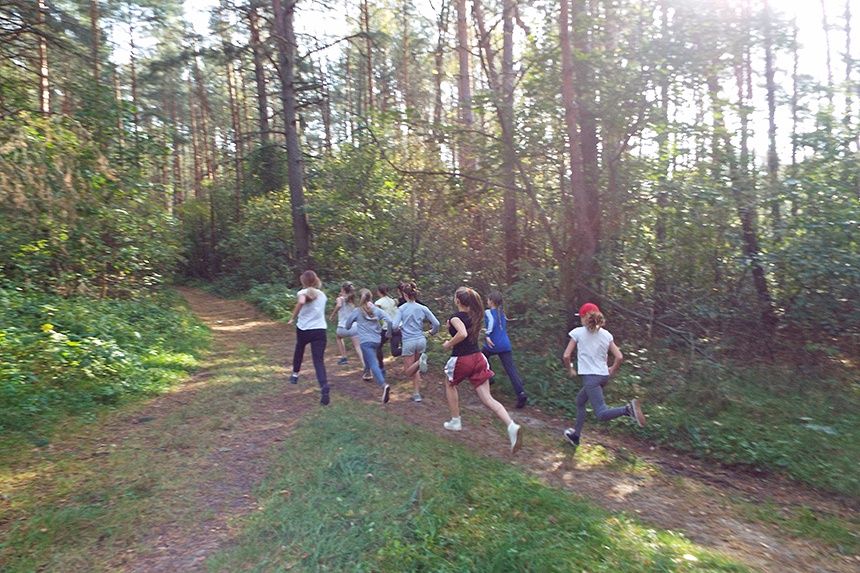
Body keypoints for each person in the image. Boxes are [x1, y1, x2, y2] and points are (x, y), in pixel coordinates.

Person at [442, 286, 523, 454]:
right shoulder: (475, 315)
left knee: (449, 384)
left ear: (457, 301)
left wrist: (449, 343)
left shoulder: (456, 317)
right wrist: (452, 326)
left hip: (462, 359)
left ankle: (455, 420)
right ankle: (511, 426)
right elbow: (467, 330)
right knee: (487, 398)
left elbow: (462, 334)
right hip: (479, 359)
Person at [561, 302, 646, 447]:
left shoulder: (577, 333)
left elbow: (566, 356)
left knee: (601, 413)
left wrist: (570, 369)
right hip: (603, 376)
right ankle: (576, 436)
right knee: (580, 401)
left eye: (580, 317)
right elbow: (619, 356)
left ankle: (628, 410)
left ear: (584, 318)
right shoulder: (606, 335)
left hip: (591, 379)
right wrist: (611, 370)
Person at [391, 281, 440, 402]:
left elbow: (394, 326)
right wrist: (432, 332)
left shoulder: (402, 308)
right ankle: (416, 394)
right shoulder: (423, 308)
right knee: (415, 368)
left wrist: (398, 328)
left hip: (408, 341)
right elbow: (437, 323)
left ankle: (420, 362)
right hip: (421, 340)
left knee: (408, 371)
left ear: (405, 295)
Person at [286, 270, 330, 405]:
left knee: (299, 349)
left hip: (304, 329)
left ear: (303, 281)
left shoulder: (302, 292)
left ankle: (295, 375)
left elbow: (301, 301)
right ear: (316, 280)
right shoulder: (322, 295)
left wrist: (292, 318)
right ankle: (324, 386)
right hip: (320, 330)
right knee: (318, 360)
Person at [345, 288, 395, 403]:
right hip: (377, 340)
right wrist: (388, 333)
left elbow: (347, 326)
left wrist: (353, 319)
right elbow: (389, 321)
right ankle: (367, 372)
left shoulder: (357, 311)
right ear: (371, 297)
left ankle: (383, 385)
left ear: (359, 298)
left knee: (373, 362)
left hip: (365, 341)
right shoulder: (377, 310)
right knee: (368, 355)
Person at [482, 290, 528, 409]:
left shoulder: (488, 312)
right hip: (505, 344)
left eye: (488, 300)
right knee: (511, 370)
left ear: (491, 301)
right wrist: (486, 330)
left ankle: (490, 377)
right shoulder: (501, 313)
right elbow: (498, 327)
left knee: (481, 357)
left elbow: (491, 323)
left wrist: (487, 335)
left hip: (493, 344)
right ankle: (521, 394)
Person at [329, 281, 365, 369]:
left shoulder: (340, 299)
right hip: (354, 327)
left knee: (338, 337)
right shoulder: (352, 300)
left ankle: (344, 357)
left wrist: (332, 315)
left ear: (342, 289)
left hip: (343, 327)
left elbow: (339, 305)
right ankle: (365, 365)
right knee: (358, 347)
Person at [374, 283, 399, 375]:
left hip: (386, 328)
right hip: (397, 328)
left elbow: (375, 317)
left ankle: (381, 368)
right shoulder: (394, 301)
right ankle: (413, 351)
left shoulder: (378, 303)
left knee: (378, 346)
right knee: (395, 351)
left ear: (378, 292)